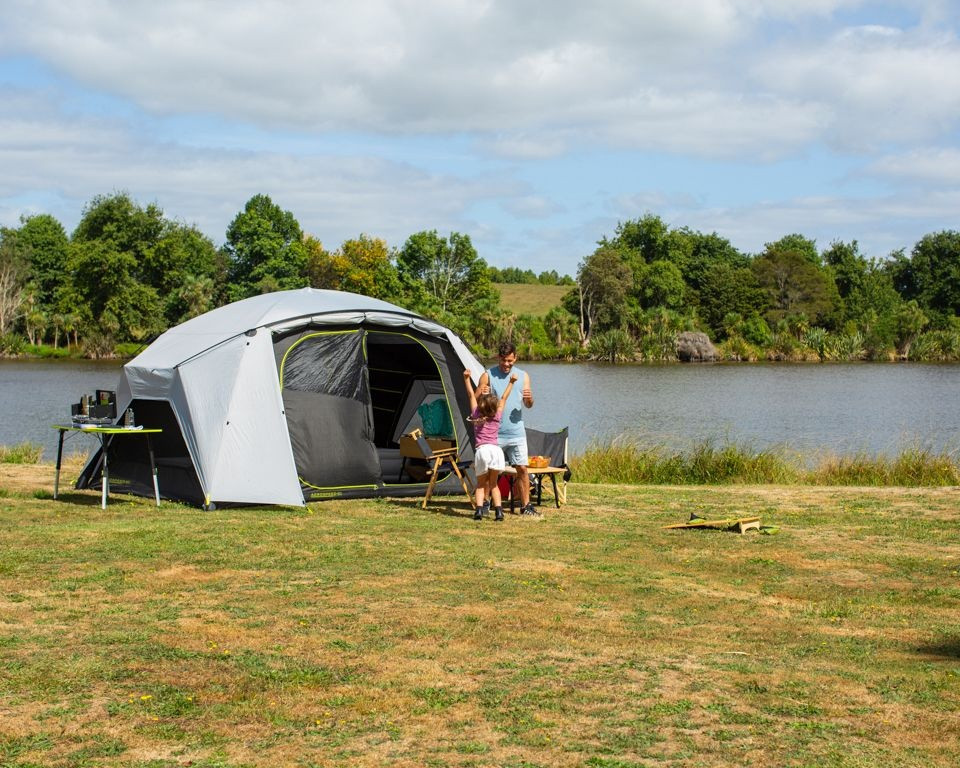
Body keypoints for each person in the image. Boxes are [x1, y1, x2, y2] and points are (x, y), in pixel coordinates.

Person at [478, 340, 537, 516]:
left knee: (522, 469)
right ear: (498, 358)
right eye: (503, 360)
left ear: (515, 358)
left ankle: (526, 506)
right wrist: (483, 394)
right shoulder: (487, 375)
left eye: (510, 361)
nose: (506, 364)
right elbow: (477, 405)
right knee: (490, 471)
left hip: (516, 432)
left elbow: (528, 405)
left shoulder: (523, 376)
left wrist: (529, 399)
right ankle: (486, 503)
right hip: (493, 433)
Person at [463, 369, 517, 521]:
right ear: (494, 408)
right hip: (496, 451)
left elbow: (470, 395)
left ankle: (479, 511)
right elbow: (504, 398)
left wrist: (466, 378)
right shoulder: (497, 416)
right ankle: (499, 512)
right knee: (493, 484)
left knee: (481, 484)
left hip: (483, 451)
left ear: (480, 406)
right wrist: (511, 382)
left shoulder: (475, 415)